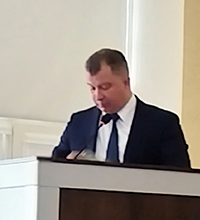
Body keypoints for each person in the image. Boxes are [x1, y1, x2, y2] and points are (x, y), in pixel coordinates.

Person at [52, 48, 191, 168]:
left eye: (105, 87)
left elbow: (179, 179)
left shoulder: (162, 124)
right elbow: (54, 169)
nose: (98, 96)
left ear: (126, 82)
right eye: (92, 88)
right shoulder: (79, 123)